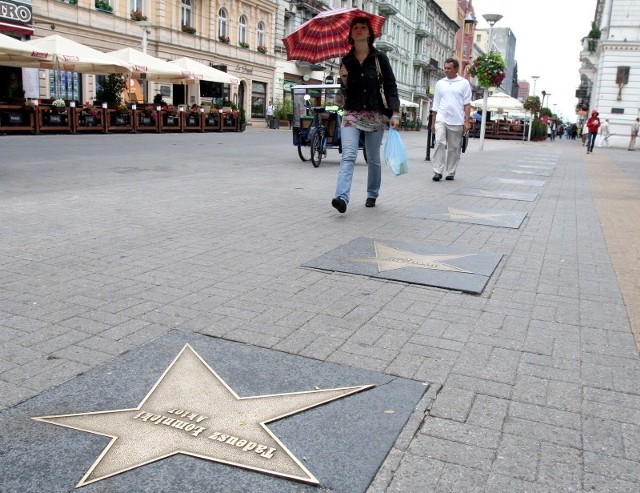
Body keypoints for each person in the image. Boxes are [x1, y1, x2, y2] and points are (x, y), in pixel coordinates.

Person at [331, 17, 400, 213]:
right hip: (351, 113)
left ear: (369, 33)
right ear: (351, 34)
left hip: (375, 114)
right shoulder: (346, 60)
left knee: (373, 157)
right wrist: (343, 79)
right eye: (356, 28)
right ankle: (342, 197)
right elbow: (345, 93)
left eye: (363, 28)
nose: (359, 30)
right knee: (349, 155)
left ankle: (372, 193)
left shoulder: (379, 58)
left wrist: (395, 113)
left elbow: (390, 86)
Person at [430, 58, 471, 181]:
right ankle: (437, 171)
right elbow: (435, 104)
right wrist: (433, 122)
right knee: (439, 142)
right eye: (445, 68)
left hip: (457, 120)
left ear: (456, 69)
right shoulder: (440, 83)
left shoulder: (464, 83)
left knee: (454, 148)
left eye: (449, 68)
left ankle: (451, 172)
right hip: (441, 118)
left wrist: (467, 121)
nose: (446, 70)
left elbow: (467, 104)